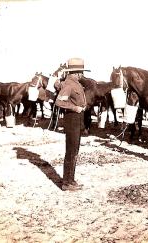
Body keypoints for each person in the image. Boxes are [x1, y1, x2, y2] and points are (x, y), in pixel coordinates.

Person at [55, 58, 89, 191]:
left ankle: (71, 180)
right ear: (77, 72)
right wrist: (74, 108)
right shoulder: (69, 84)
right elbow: (59, 102)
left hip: (78, 120)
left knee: (74, 151)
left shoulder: (76, 83)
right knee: (71, 151)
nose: (82, 75)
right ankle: (66, 183)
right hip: (72, 119)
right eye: (81, 72)